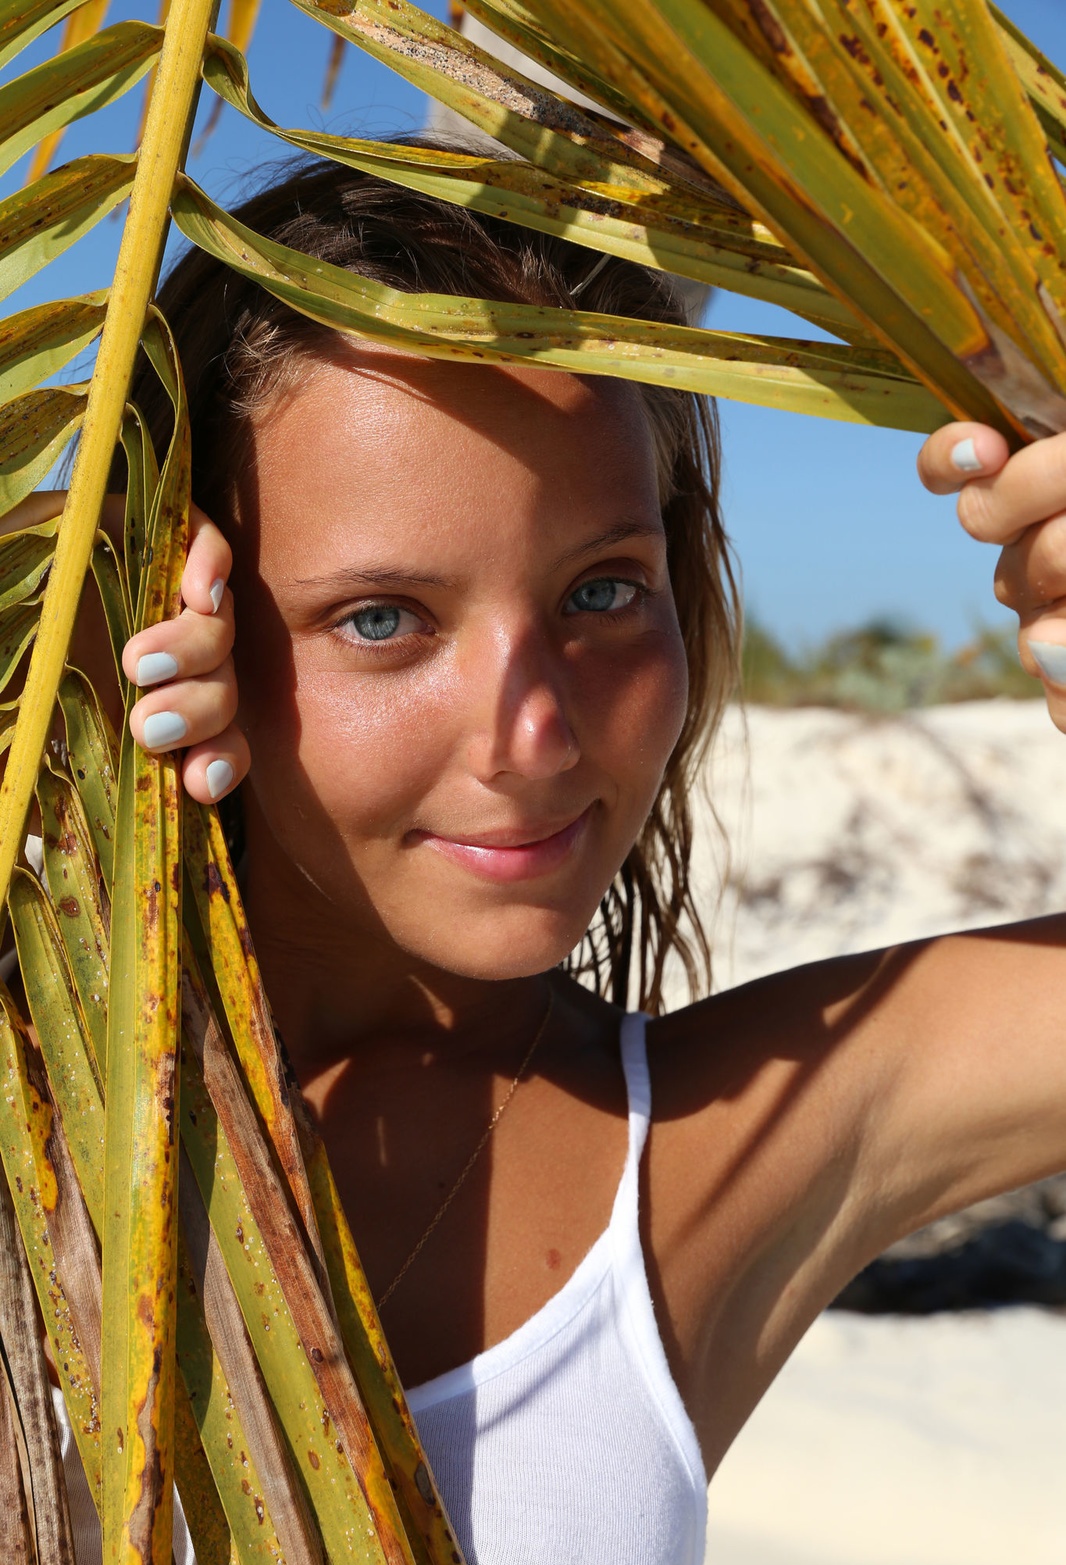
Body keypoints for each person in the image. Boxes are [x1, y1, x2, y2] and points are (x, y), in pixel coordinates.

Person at [17, 157, 1066, 1562]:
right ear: (181, 613)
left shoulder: (712, 1151)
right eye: (383, 619)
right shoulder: (29, 1097)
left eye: (601, 590)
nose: (532, 737)